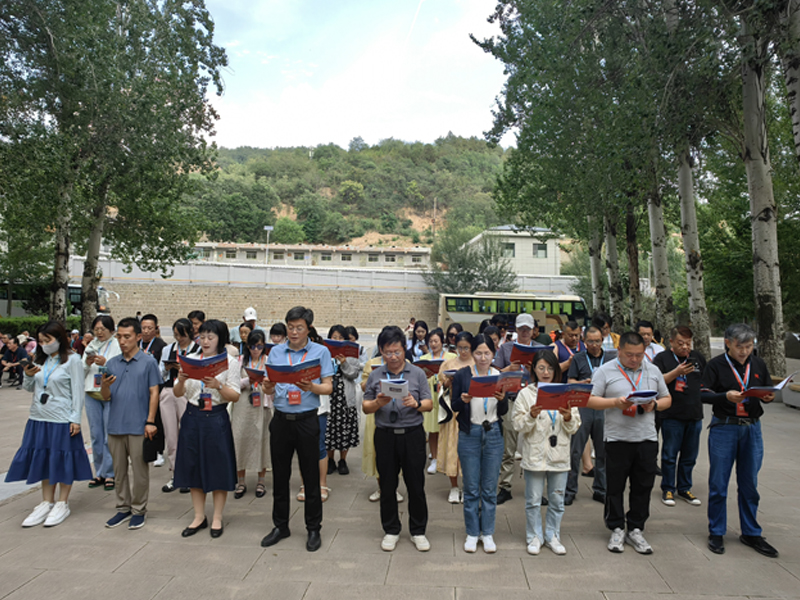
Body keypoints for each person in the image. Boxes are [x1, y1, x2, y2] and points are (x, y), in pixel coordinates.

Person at [588, 331, 671, 554]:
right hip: (617, 439)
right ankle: (616, 527)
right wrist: (615, 402)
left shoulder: (652, 370)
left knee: (643, 486)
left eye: (639, 355)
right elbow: (590, 400)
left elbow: (667, 398)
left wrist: (655, 405)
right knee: (614, 487)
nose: (634, 360)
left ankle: (636, 528)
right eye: (629, 355)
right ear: (619, 351)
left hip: (646, 438)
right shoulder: (605, 371)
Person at [260, 306, 333, 553]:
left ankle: (313, 528)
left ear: (308, 329)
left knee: (310, 476)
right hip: (281, 419)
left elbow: (328, 387)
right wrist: (267, 386)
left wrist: (311, 387)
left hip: (306, 419)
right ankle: (280, 526)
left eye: (299, 328)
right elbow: (267, 389)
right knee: (279, 476)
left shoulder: (320, 352)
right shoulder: (276, 352)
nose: (293, 332)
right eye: (290, 327)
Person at [6, 321, 93, 527]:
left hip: (61, 418)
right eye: (41, 341)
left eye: (48, 340)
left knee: (62, 458)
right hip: (39, 416)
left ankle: (62, 502)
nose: (44, 344)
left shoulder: (72, 360)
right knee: (44, 458)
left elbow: (77, 391)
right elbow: (30, 387)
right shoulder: (40, 358)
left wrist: (75, 419)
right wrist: (27, 375)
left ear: (59, 339)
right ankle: (46, 501)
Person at [702, 323, 777, 558]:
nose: (744, 351)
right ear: (727, 343)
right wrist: (725, 396)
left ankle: (751, 531)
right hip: (725, 427)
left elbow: (766, 390)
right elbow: (702, 394)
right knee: (718, 483)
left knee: (749, 483)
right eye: (739, 346)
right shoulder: (715, 366)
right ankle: (716, 531)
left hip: (752, 429)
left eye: (749, 346)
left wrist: (768, 396)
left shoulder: (758, 363)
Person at [363, 325, 433, 552]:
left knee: (416, 485)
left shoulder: (418, 373)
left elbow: (429, 404)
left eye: (397, 351)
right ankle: (391, 529)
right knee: (388, 483)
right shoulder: (375, 374)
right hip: (385, 435)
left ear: (404, 349)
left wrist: (416, 404)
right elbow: (365, 407)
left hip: (412, 434)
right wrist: (378, 403)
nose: (392, 357)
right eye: (387, 352)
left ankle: (418, 530)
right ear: (381, 351)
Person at [173, 319, 240, 538]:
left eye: (210, 337)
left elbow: (235, 396)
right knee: (192, 466)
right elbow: (177, 393)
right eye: (202, 337)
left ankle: (218, 517)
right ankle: (199, 516)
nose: (205, 341)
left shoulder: (230, 362)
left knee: (218, 467)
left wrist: (218, 385)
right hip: (192, 416)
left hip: (216, 417)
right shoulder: (190, 359)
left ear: (220, 339)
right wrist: (181, 380)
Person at [513, 351, 581, 555]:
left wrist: (568, 418)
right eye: (541, 368)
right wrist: (531, 416)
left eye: (550, 368)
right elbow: (517, 425)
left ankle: (553, 535)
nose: (546, 372)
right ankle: (534, 535)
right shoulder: (526, 394)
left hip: (558, 454)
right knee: (533, 500)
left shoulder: (565, 392)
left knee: (557, 499)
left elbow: (575, 426)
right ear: (533, 369)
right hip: (535, 454)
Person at [100, 317, 161, 530]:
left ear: (137, 337)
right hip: (115, 424)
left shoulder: (148, 362)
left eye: (127, 337)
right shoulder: (112, 363)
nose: (123, 341)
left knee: (140, 471)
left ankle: (139, 510)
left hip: (138, 425)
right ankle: (122, 508)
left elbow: (154, 392)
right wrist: (105, 386)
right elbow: (105, 396)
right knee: (119, 471)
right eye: (119, 336)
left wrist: (150, 421)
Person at [451, 334, 507, 553]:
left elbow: (503, 411)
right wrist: (463, 400)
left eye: (487, 353)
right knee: (472, 487)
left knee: (490, 487)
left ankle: (488, 533)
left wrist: (502, 400)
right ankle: (473, 532)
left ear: (493, 354)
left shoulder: (499, 375)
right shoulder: (463, 375)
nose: (483, 357)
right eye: (478, 353)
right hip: (470, 432)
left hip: (492, 431)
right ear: (472, 353)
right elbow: (455, 404)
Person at [651, 326, 705, 509]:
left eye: (688, 343)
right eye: (681, 343)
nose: (685, 347)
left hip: (694, 414)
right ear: (671, 342)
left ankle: (685, 487)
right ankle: (668, 488)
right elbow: (656, 382)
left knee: (690, 455)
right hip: (671, 415)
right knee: (669, 455)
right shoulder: (662, 359)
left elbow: (705, 382)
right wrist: (676, 372)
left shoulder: (697, 358)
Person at [493, 313, 545, 505]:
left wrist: (535, 370)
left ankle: (537, 488)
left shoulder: (541, 349)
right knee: (509, 445)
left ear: (533, 330)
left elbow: (549, 374)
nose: (524, 332)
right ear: (516, 329)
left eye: (528, 329)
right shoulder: (506, 349)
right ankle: (505, 486)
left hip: (535, 398)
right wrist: (509, 369)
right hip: (512, 399)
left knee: (537, 442)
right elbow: (494, 373)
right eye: (521, 328)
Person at [564, 326, 608, 505]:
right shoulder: (578, 358)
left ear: (602, 341)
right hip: (582, 406)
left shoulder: (610, 359)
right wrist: (582, 383)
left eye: (597, 341)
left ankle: (600, 489)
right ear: (584, 341)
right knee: (575, 450)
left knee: (603, 451)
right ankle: (570, 489)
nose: (594, 345)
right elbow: (570, 381)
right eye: (590, 341)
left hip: (603, 406)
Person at [158, 318, 199, 493]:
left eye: (182, 335)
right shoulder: (168, 349)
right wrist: (168, 368)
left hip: (187, 393)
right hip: (168, 390)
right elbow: (159, 373)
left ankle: (190, 475)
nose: (179, 339)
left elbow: (199, 372)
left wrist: (182, 367)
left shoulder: (197, 350)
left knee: (188, 435)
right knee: (171, 436)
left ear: (189, 333)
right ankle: (175, 474)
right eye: (176, 335)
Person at [231, 329, 272, 500]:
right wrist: (248, 380)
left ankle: (261, 481)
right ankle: (241, 481)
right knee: (240, 440)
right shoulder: (240, 361)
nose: (256, 349)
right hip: (242, 405)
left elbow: (274, 383)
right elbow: (232, 384)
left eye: (260, 346)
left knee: (261, 440)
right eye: (253, 346)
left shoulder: (268, 361)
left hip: (261, 404)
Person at [82, 315, 122, 491]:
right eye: (96, 329)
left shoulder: (116, 345)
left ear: (111, 330)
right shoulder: (91, 346)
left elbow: (120, 370)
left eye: (102, 329)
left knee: (108, 436)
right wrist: (86, 363)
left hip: (109, 393)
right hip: (91, 392)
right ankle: (99, 471)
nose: (99, 333)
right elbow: (81, 370)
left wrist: (106, 364)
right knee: (96, 435)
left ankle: (110, 473)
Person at [437, 331, 475, 503]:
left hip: (472, 411)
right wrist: (447, 383)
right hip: (453, 412)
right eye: (460, 348)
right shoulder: (448, 363)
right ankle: (453, 486)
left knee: (470, 452)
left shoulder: (476, 364)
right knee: (452, 449)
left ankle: (469, 486)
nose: (463, 351)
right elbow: (439, 386)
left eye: (466, 348)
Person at [325, 325, 363, 476]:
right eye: (335, 337)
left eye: (341, 338)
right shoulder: (325, 354)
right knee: (329, 430)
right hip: (330, 397)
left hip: (345, 398)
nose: (338, 340)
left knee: (344, 430)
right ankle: (329, 460)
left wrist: (344, 363)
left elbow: (354, 374)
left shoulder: (351, 355)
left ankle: (342, 460)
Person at [420, 328, 456, 475]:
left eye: (436, 341)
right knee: (432, 429)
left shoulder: (451, 357)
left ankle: (446, 457)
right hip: (430, 395)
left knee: (446, 428)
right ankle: (434, 458)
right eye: (431, 341)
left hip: (446, 395)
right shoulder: (424, 359)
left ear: (442, 342)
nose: (433, 344)